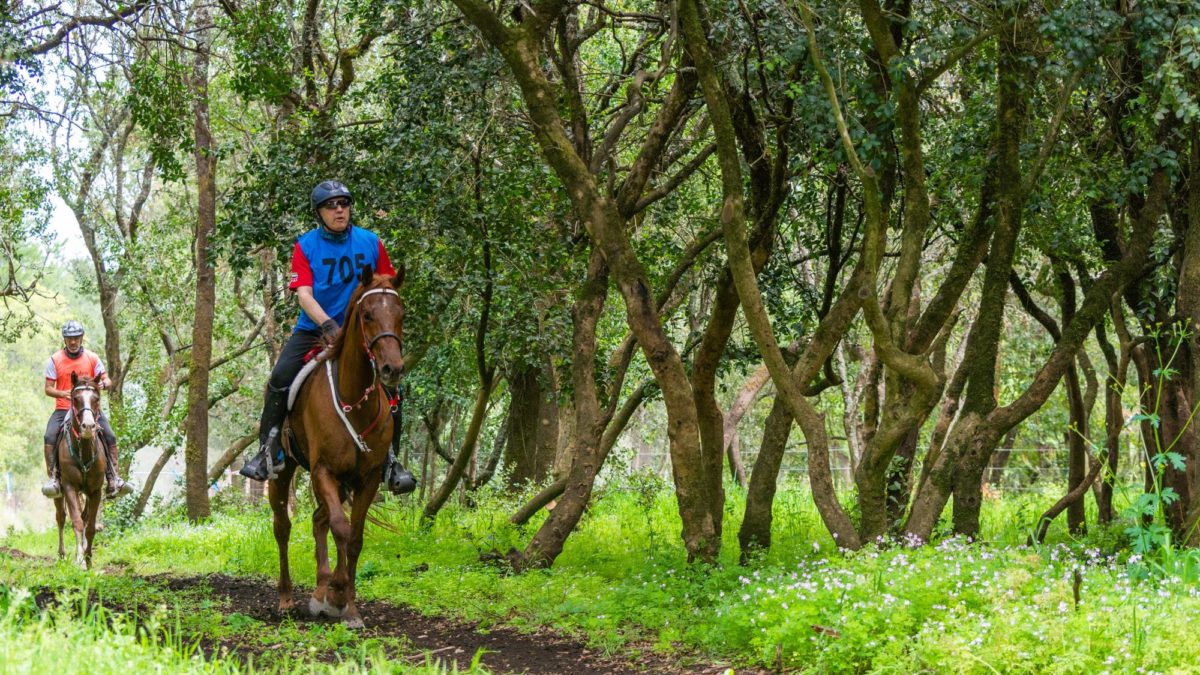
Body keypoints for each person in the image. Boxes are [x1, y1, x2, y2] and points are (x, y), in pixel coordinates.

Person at [240, 181, 415, 494]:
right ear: (319, 213)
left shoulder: (370, 242)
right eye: (331, 205)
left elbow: (386, 284)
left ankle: (391, 461)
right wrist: (327, 324)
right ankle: (268, 452)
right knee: (280, 377)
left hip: (362, 328)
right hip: (314, 328)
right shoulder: (305, 246)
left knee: (393, 383)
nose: (339, 210)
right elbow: (304, 295)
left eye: (344, 203)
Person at [41, 320, 134, 499]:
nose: (73, 342)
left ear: (82, 338)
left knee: (110, 435)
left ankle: (114, 478)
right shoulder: (55, 359)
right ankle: (54, 478)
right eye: (70, 339)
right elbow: (48, 388)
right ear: (65, 340)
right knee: (49, 436)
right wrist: (63, 393)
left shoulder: (92, 357)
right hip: (63, 408)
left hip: (89, 410)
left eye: (76, 338)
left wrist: (105, 383)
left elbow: (106, 379)